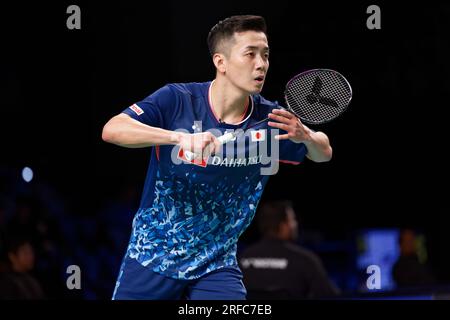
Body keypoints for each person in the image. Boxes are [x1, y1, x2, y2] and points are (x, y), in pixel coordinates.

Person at [102, 15, 332, 300]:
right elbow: (113, 129)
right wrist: (178, 137)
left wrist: (306, 136)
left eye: (266, 55)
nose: (261, 64)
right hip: (153, 257)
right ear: (220, 62)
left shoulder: (271, 120)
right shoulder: (177, 100)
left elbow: (324, 153)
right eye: (250, 54)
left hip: (216, 265)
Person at [238, 200, 340, 299]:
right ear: (283, 226)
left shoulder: (240, 260)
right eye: (293, 219)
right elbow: (329, 296)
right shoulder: (305, 260)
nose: (295, 224)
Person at [0, 235, 45, 299]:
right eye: (25, 253)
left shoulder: (32, 280)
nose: (30, 256)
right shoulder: (7, 282)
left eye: (31, 252)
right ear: (12, 256)